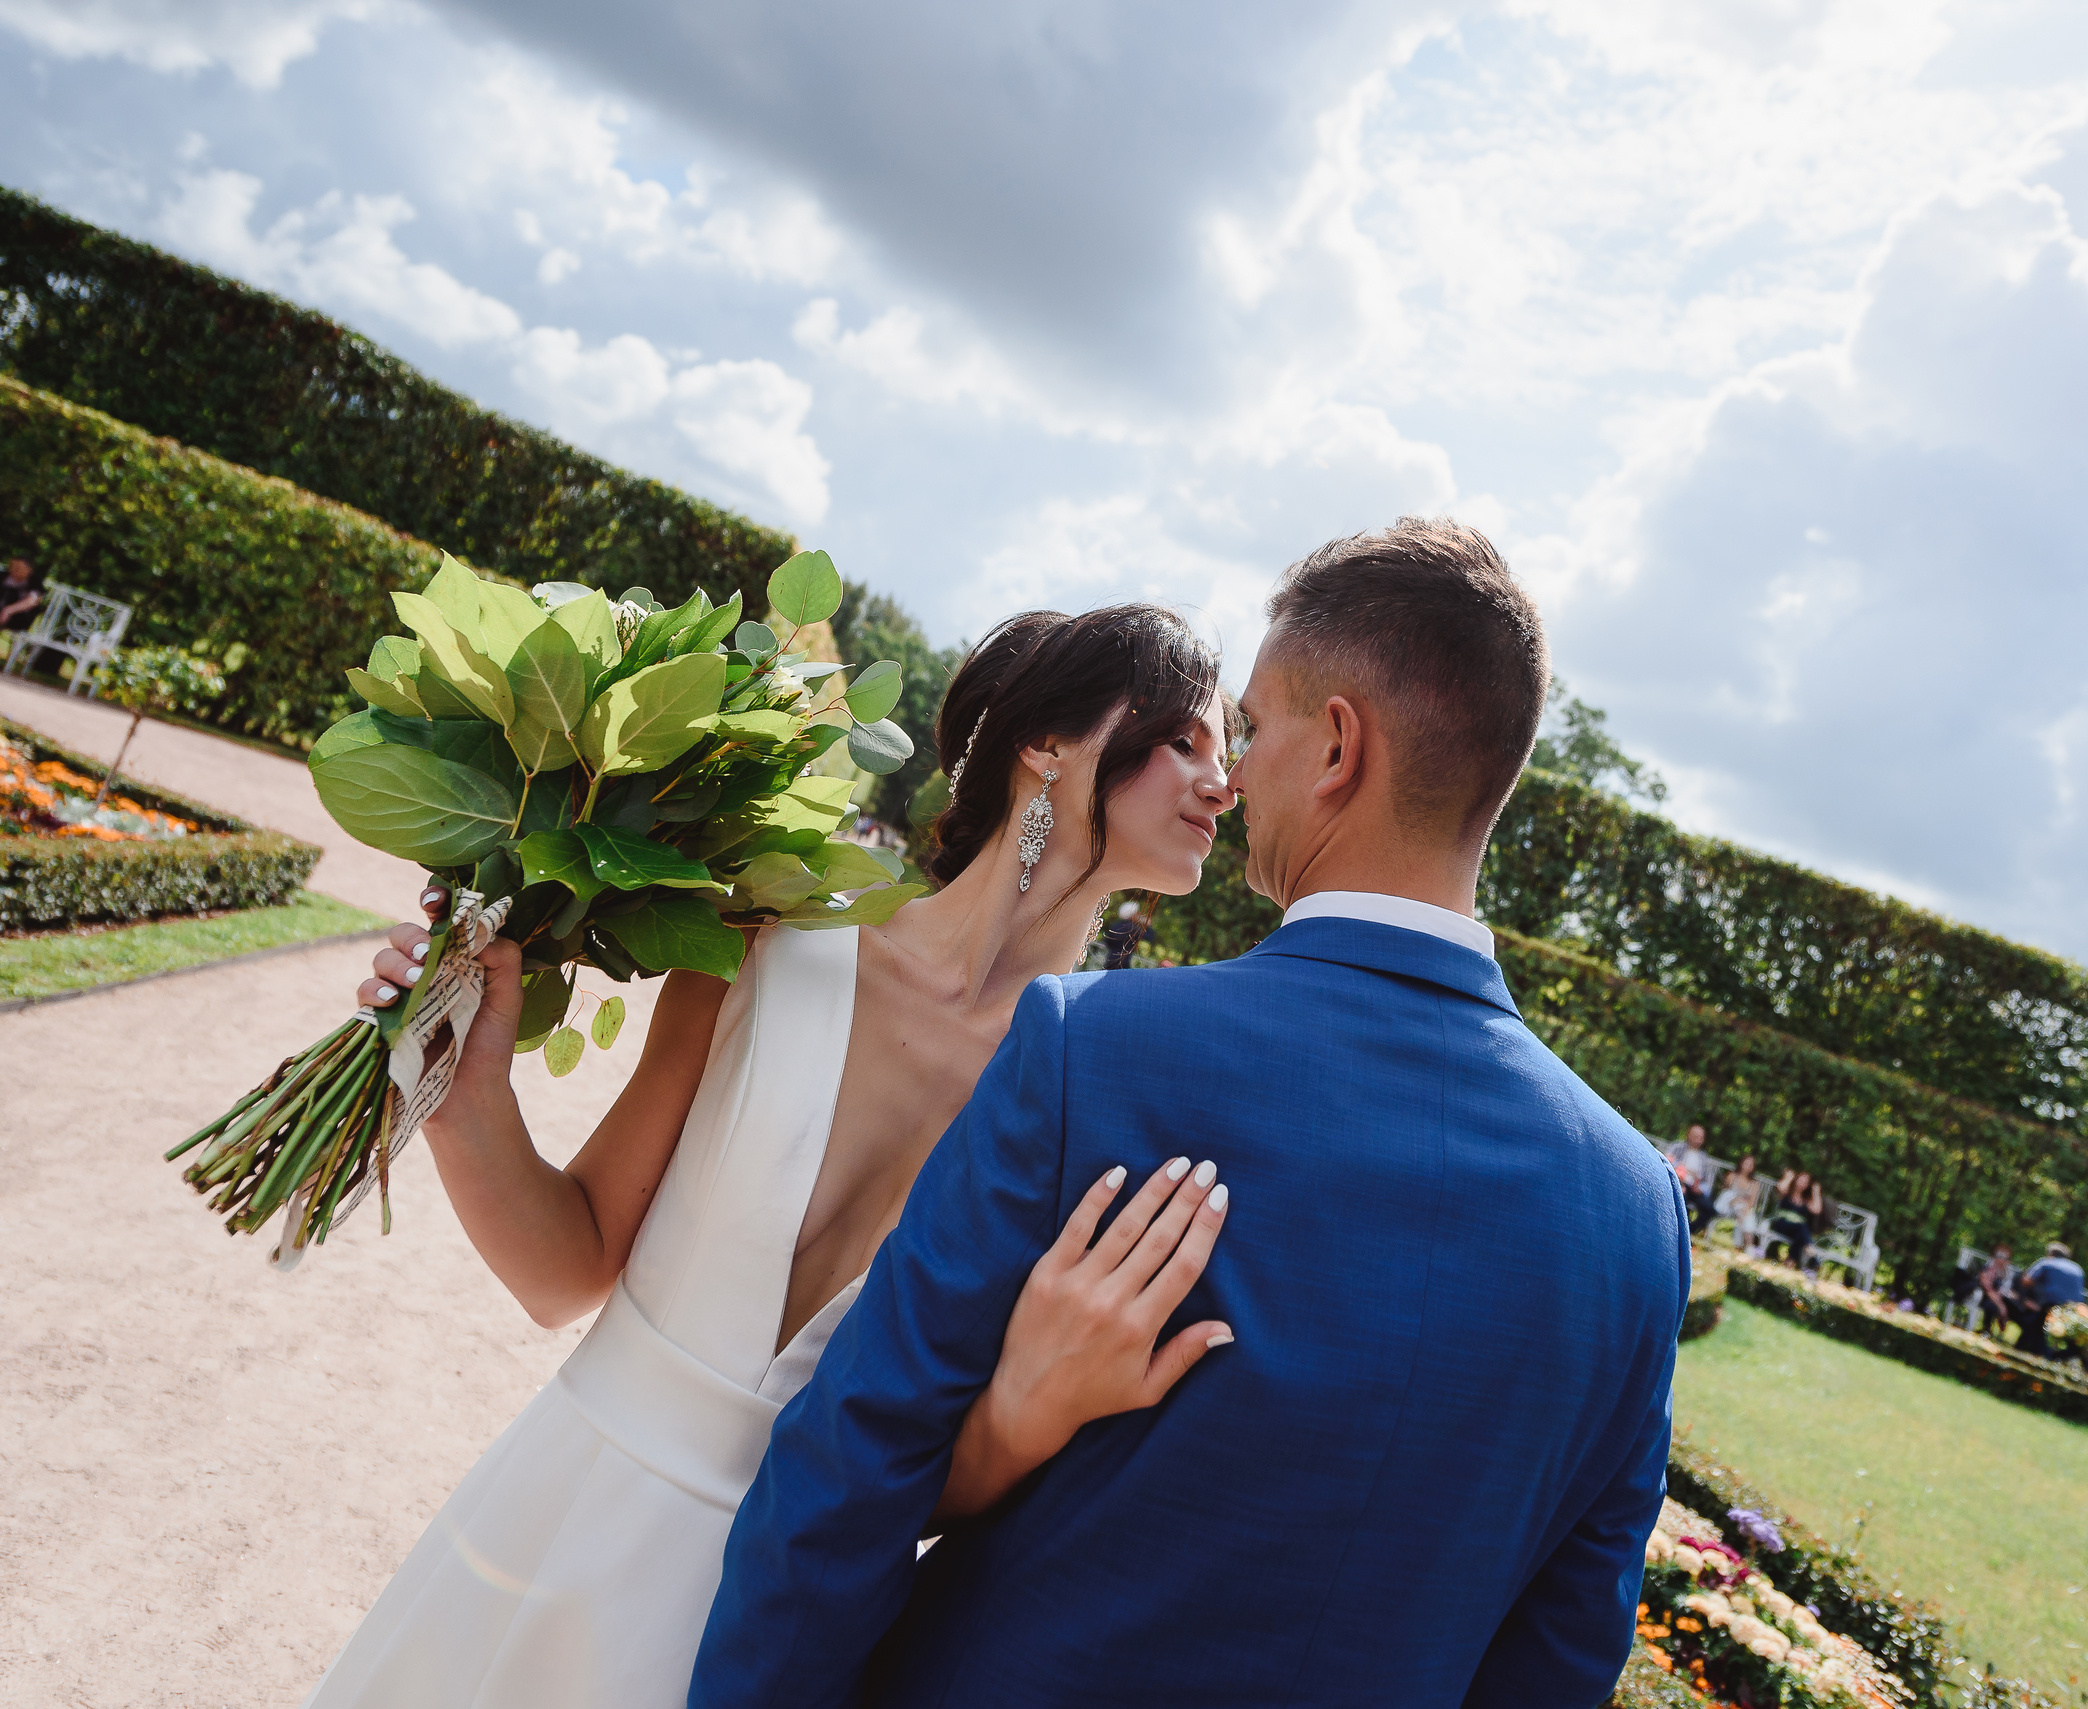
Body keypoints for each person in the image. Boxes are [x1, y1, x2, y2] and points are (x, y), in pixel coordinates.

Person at [693, 519, 1688, 1708]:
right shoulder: (1638, 1216)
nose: (1237, 771)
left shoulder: (1092, 1047)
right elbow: (1563, 1657)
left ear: (1335, 748)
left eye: (1256, 727)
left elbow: (849, 1467)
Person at [301, 605, 1242, 1709]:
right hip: (554, 1521)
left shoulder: (1099, 1100)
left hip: (789, 1617)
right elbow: (567, 1269)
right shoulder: (772, 936)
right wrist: (468, 1097)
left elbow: (929, 1478)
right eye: (1187, 737)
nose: (1223, 780)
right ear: (1046, 741)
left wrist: (1041, 1407)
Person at [1663, 1123, 1721, 1233]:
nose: (1698, 1140)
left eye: (1701, 1137)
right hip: (1678, 1183)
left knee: (1709, 1209)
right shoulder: (1678, 1147)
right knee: (1681, 1202)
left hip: (1695, 1188)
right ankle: (1678, 1230)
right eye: (1696, 1136)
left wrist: (1701, 1189)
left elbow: (1707, 1181)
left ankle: (1689, 1231)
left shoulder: (1703, 1157)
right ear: (1689, 1135)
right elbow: (1667, 1160)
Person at [1770, 1167, 1826, 1267]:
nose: (1802, 1183)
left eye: (1805, 1182)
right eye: (1801, 1180)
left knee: (1800, 1235)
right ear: (1796, 1179)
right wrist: (1788, 1177)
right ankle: (1811, 1255)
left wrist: (1816, 1191)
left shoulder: (1806, 1199)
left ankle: (1789, 1263)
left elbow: (1817, 1210)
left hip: (1796, 1230)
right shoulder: (1787, 1192)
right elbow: (1780, 1187)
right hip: (1782, 1224)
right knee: (1802, 1229)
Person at [1710, 1154, 1765, 1250]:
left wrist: (1740, 1202)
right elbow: (1725, 1194)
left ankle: (1745, 1245)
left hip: (1743, 1210)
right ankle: (1749, 1245)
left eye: (1751, 1164)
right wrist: (1737, 1201)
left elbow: (1751, 1203)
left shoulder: (1754, 1184)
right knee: (1743, 1212)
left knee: (1745, 1213)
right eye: (1746, 1163)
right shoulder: (1731, 1176)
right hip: (1727, 1206)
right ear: (1741, 1163)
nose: (1748, 1166)